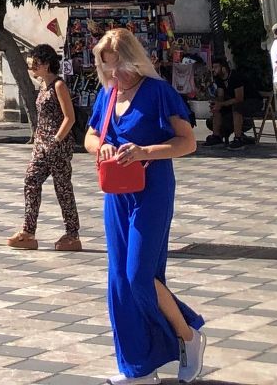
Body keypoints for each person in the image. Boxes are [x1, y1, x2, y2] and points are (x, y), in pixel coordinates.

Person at [87, 26, 205, 382]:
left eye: (119, 65)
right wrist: (102, 147)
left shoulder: (158, 92)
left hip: (152, 190)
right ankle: (138, 368)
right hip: (117, 194)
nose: (114, 73)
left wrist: (144, 152)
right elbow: (90, 136)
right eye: (106, 66)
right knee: (120, 281)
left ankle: (188, 334)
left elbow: (188, 142)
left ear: (134, 60)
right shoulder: (108, 94)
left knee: (139, 276)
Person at [9, 43, 81, 253]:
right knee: (31, 180)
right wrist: (39, 142)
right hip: (42, 146)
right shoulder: (42, 86)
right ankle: (28, 231)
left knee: (63, 188)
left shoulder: (58, 85)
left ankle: (72, 234)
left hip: (57, 147)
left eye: (36, 64)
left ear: (47, 64)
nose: (33, 67)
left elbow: (69, 117)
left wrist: (56, 140)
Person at [204, 54, 250, 147]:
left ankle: (238, 138)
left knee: (237, 107)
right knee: (217, 107)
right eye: (213, 67)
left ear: (224, 68)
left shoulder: (235, 77)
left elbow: (239, 98)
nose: (213, 69)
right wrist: (217, 103)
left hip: (249, 101)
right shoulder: (219, 78)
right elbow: (221, 96)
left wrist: (222, 104)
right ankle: (216, 136)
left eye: (216, 67)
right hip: (231, 102)